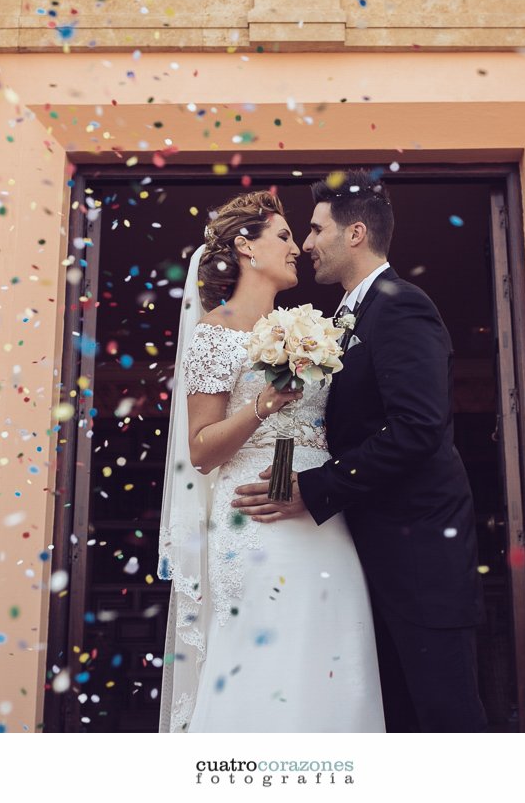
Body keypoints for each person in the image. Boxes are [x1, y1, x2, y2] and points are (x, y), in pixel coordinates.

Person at [232, 170, 488, 732]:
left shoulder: (401, 305)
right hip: (368, 554)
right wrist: (283, 483)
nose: (305, 244)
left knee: (445, 721)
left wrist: (313, 490)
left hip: (420, 560)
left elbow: (418, 429)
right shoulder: (343, 319)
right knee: (392, 720)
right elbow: (306, 426)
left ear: (353, 235)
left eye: (316, 230)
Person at [157, 190, 384, 733]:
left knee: (335, 647)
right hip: (254, 518)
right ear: (245, 247)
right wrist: (264, 403)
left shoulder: (303, 329)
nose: (297, 248)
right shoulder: (215, 333)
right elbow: (202, 449)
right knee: (262, 658)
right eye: (283, 236)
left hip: (322, 516)